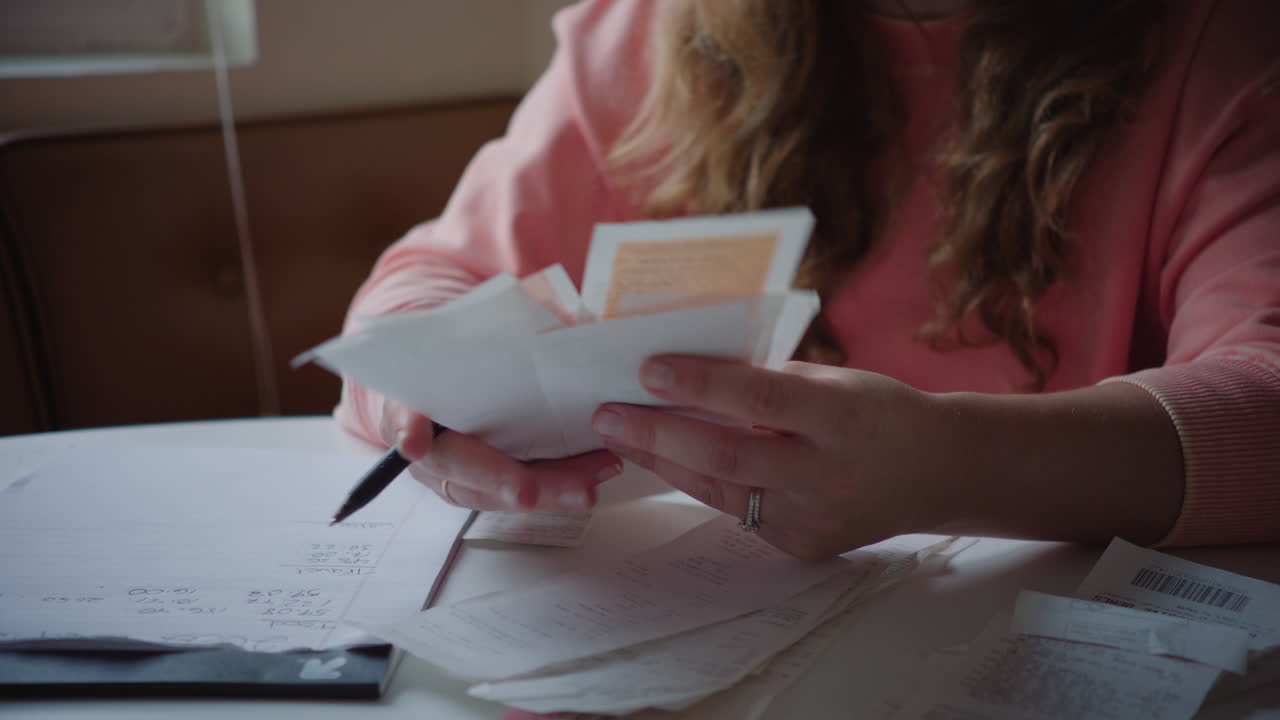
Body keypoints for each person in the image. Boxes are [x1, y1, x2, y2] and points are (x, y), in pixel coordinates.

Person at [335, 0, 1280, 560]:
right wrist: (419, 396)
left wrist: (946, 466)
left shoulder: (1219, 42)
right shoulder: (659, 31)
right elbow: (435, 275)